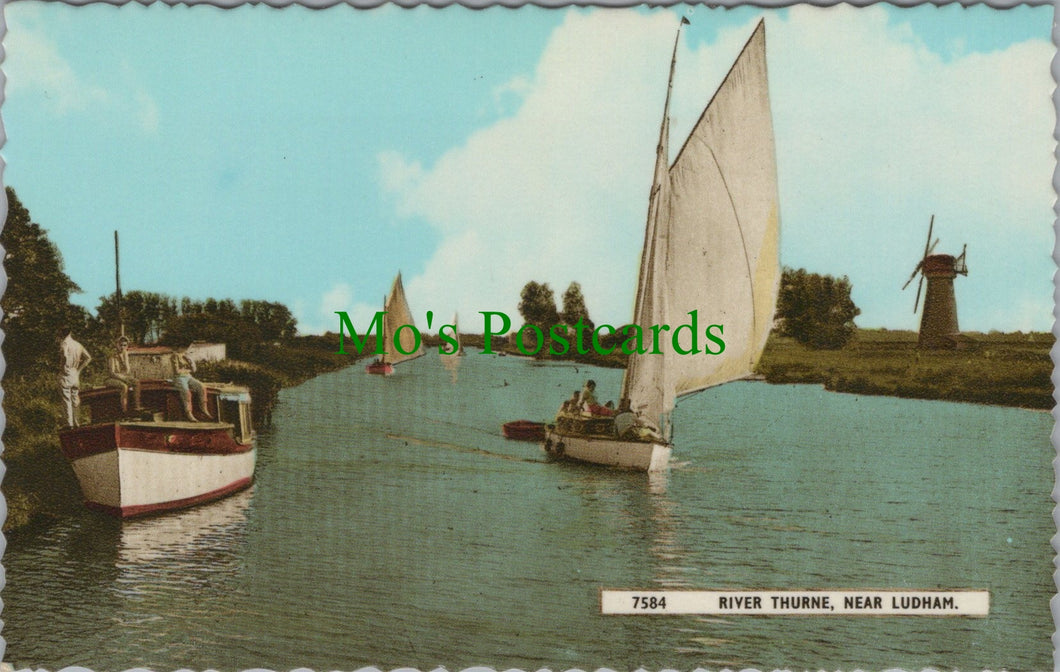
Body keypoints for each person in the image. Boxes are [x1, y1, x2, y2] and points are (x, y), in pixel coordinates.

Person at [59, 329, 92, 428]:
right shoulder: (78, 344)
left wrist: (62, 367)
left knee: (66, 399)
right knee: (75, 398)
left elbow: (64, 356)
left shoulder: (64, 343)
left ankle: (69, 423)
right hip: (75, 373)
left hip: (66, 372)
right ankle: (77, 421)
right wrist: (79, 370)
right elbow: (88, 358)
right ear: (70, 332)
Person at [171, 348, 211, 421]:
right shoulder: (174, 356)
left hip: (188, 377)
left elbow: (194, 370)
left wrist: (191, 361)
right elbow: (177, 371)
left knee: (201, 387)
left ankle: (203, 408)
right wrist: (188, 370)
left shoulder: (186, 356)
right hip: (179, 378)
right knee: (186, 392)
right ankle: (188, 413)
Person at [105, 337, 142, 415]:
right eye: (120, 345)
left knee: (136, 382)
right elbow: (112, 373)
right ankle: (124, 411)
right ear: (117, 345)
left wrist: (124, 360)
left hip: (123, 376)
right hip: (111, 379)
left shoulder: (125, 354)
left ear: (127, 346)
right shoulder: (112, 356)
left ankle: (137, 406)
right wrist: (123, 378)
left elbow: (127, 370)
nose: (122, 347)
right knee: (124, 387)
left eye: (124, 345)